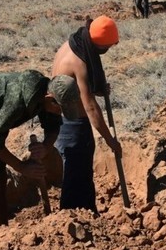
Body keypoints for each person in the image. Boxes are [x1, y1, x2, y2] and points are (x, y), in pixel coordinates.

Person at [0, 70, 82, 232]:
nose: (60, 113)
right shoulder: (18, 98)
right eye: (60, 108)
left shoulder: (45, 95)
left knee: (1, 178)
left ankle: (3, 232)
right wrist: (22, 167)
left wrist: (45, 147)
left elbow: (53, 127)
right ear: (49, 98)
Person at [51, 15, 122, 213]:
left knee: (79, 176)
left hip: (64, 120)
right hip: (73, 126)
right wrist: (110, 141)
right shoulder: (78, 62)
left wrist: (96, 87)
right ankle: (73, 223)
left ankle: (87, 216)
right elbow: (90, 108)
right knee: (76, 178)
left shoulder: (72, 43)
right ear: (99, 46)